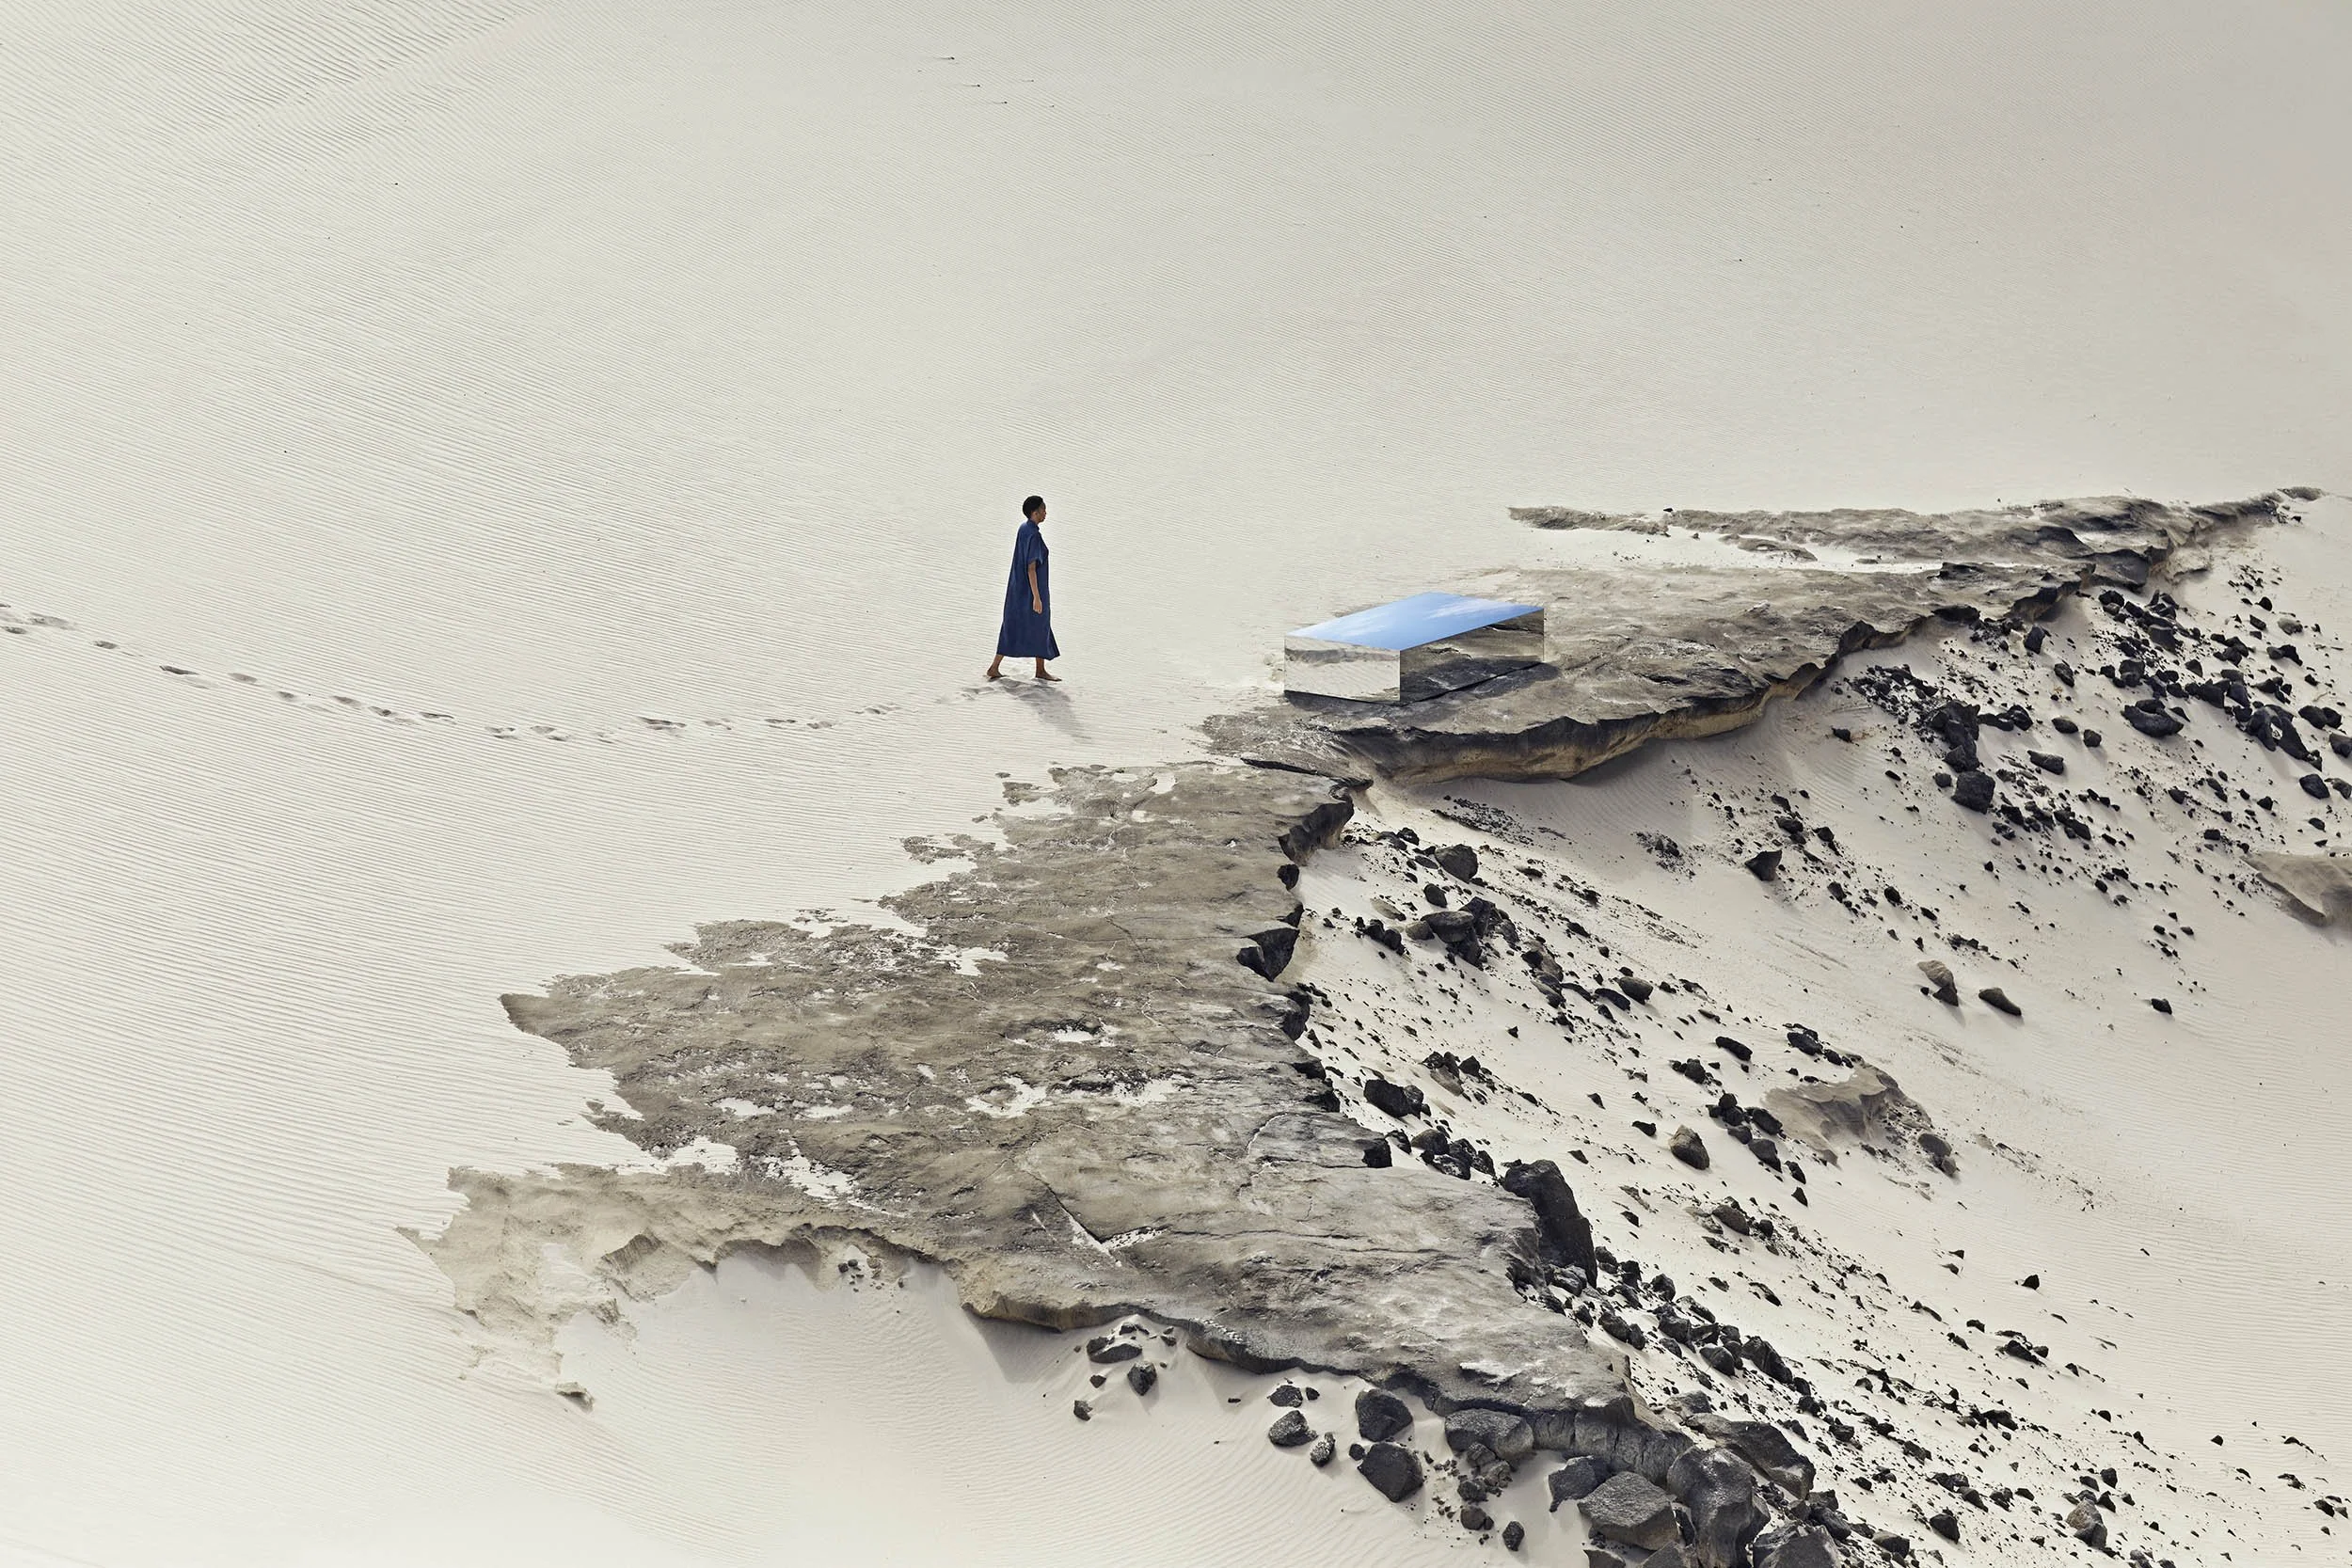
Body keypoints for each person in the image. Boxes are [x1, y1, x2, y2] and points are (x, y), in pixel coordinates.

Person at [986, 495, 1060, 682]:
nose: (1046, 513)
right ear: (1035, 512)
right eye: (1043, 510)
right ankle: (1039, 670)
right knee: (1040, 625)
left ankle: (996, 666)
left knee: (1013, 626)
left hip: (1017, 588)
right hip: (1031, 590)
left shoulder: (1024, 528)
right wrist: (1036, 597)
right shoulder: (1033, 535)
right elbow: (1031, 567)